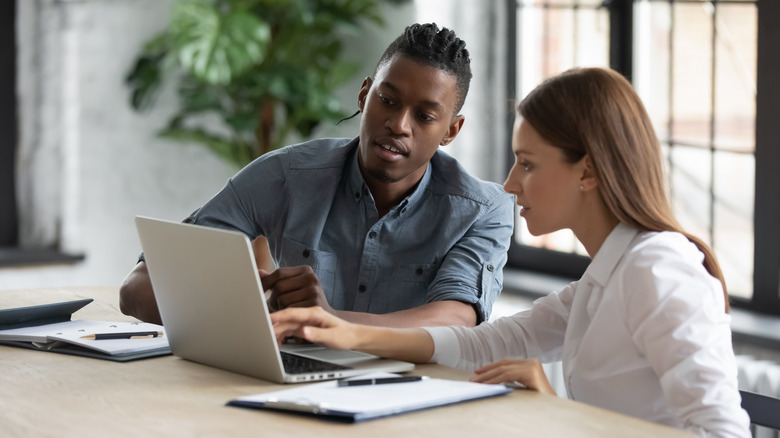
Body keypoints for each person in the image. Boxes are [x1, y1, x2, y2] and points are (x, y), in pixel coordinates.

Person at [270, 67, 751, 436]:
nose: (509, 184)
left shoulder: (657, 271)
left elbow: (721, 432)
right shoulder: (607, 277)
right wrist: (344, 333)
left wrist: (560, 416)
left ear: (587, 172)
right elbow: (483, 345)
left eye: (527, 164)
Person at [119, 23, 515, 328]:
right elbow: (139, 287)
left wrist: (326, 323)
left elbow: (456, 320)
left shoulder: (483, 211)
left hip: (415, 399)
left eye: (425, 116)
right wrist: (243, 303)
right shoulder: (286, 175)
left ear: (451, 130)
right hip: (292, 388)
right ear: (364, 95)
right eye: (387, 100)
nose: (399, 124)